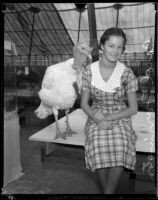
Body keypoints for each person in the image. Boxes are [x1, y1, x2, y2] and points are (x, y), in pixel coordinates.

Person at [80, 27, 138, 194]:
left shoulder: (126, 73)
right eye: (111, 46)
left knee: (121, 144)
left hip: (120, 114)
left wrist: (109, 118)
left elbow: (133, 109)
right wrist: (97, 117)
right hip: (95, 112)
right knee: (97, 143)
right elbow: (84, 104)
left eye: (120, 47)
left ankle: (107, 192)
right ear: (102, 47)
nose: (115, 51)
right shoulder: (89, 71)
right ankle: (108, 191)